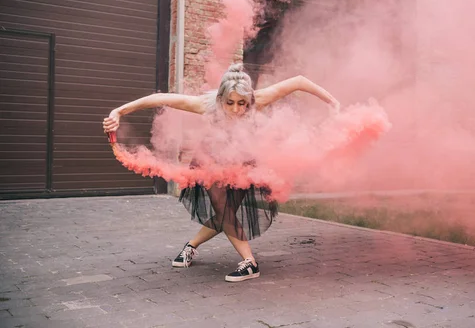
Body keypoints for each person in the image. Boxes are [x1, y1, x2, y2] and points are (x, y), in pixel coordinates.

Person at [102, 63, 340, 282]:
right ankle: (250, 263)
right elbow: (160, 98)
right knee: (220, 204)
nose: (236, 109)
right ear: (220, 98)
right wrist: (119, 111)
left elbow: (298, 81)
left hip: (243, 161)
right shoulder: (206, 104)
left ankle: (191, 246)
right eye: (230, 103)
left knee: (227, 213)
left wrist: (333, 103)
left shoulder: (258, 100)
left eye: (242, 103)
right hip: (212, 162)